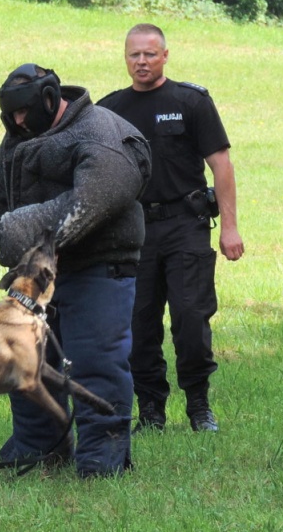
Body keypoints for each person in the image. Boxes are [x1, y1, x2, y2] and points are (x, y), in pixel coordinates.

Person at [0, 63, 151, 477]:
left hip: (98, 266)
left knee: (96, 363)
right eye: (11, 114)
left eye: (23, 112)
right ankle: (38, 448)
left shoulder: (101, 133)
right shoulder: (20, 137)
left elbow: (95, 198)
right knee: (28, 361)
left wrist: (20, 230)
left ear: (50, 99)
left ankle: (103, 460)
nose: (18, 121)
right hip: (41, 276)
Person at [98, 24, 245, 433]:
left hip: (186, 224)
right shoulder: (110, 110)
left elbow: (221, 165)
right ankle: (151, 412)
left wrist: (229, 228)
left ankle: (199, 407)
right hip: (133, 232)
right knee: (139, 324)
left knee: (191, 319)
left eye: (149, 54)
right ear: (125, 58)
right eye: (134, 55)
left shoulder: (191, 101)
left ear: (165, 55)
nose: (141, 62)